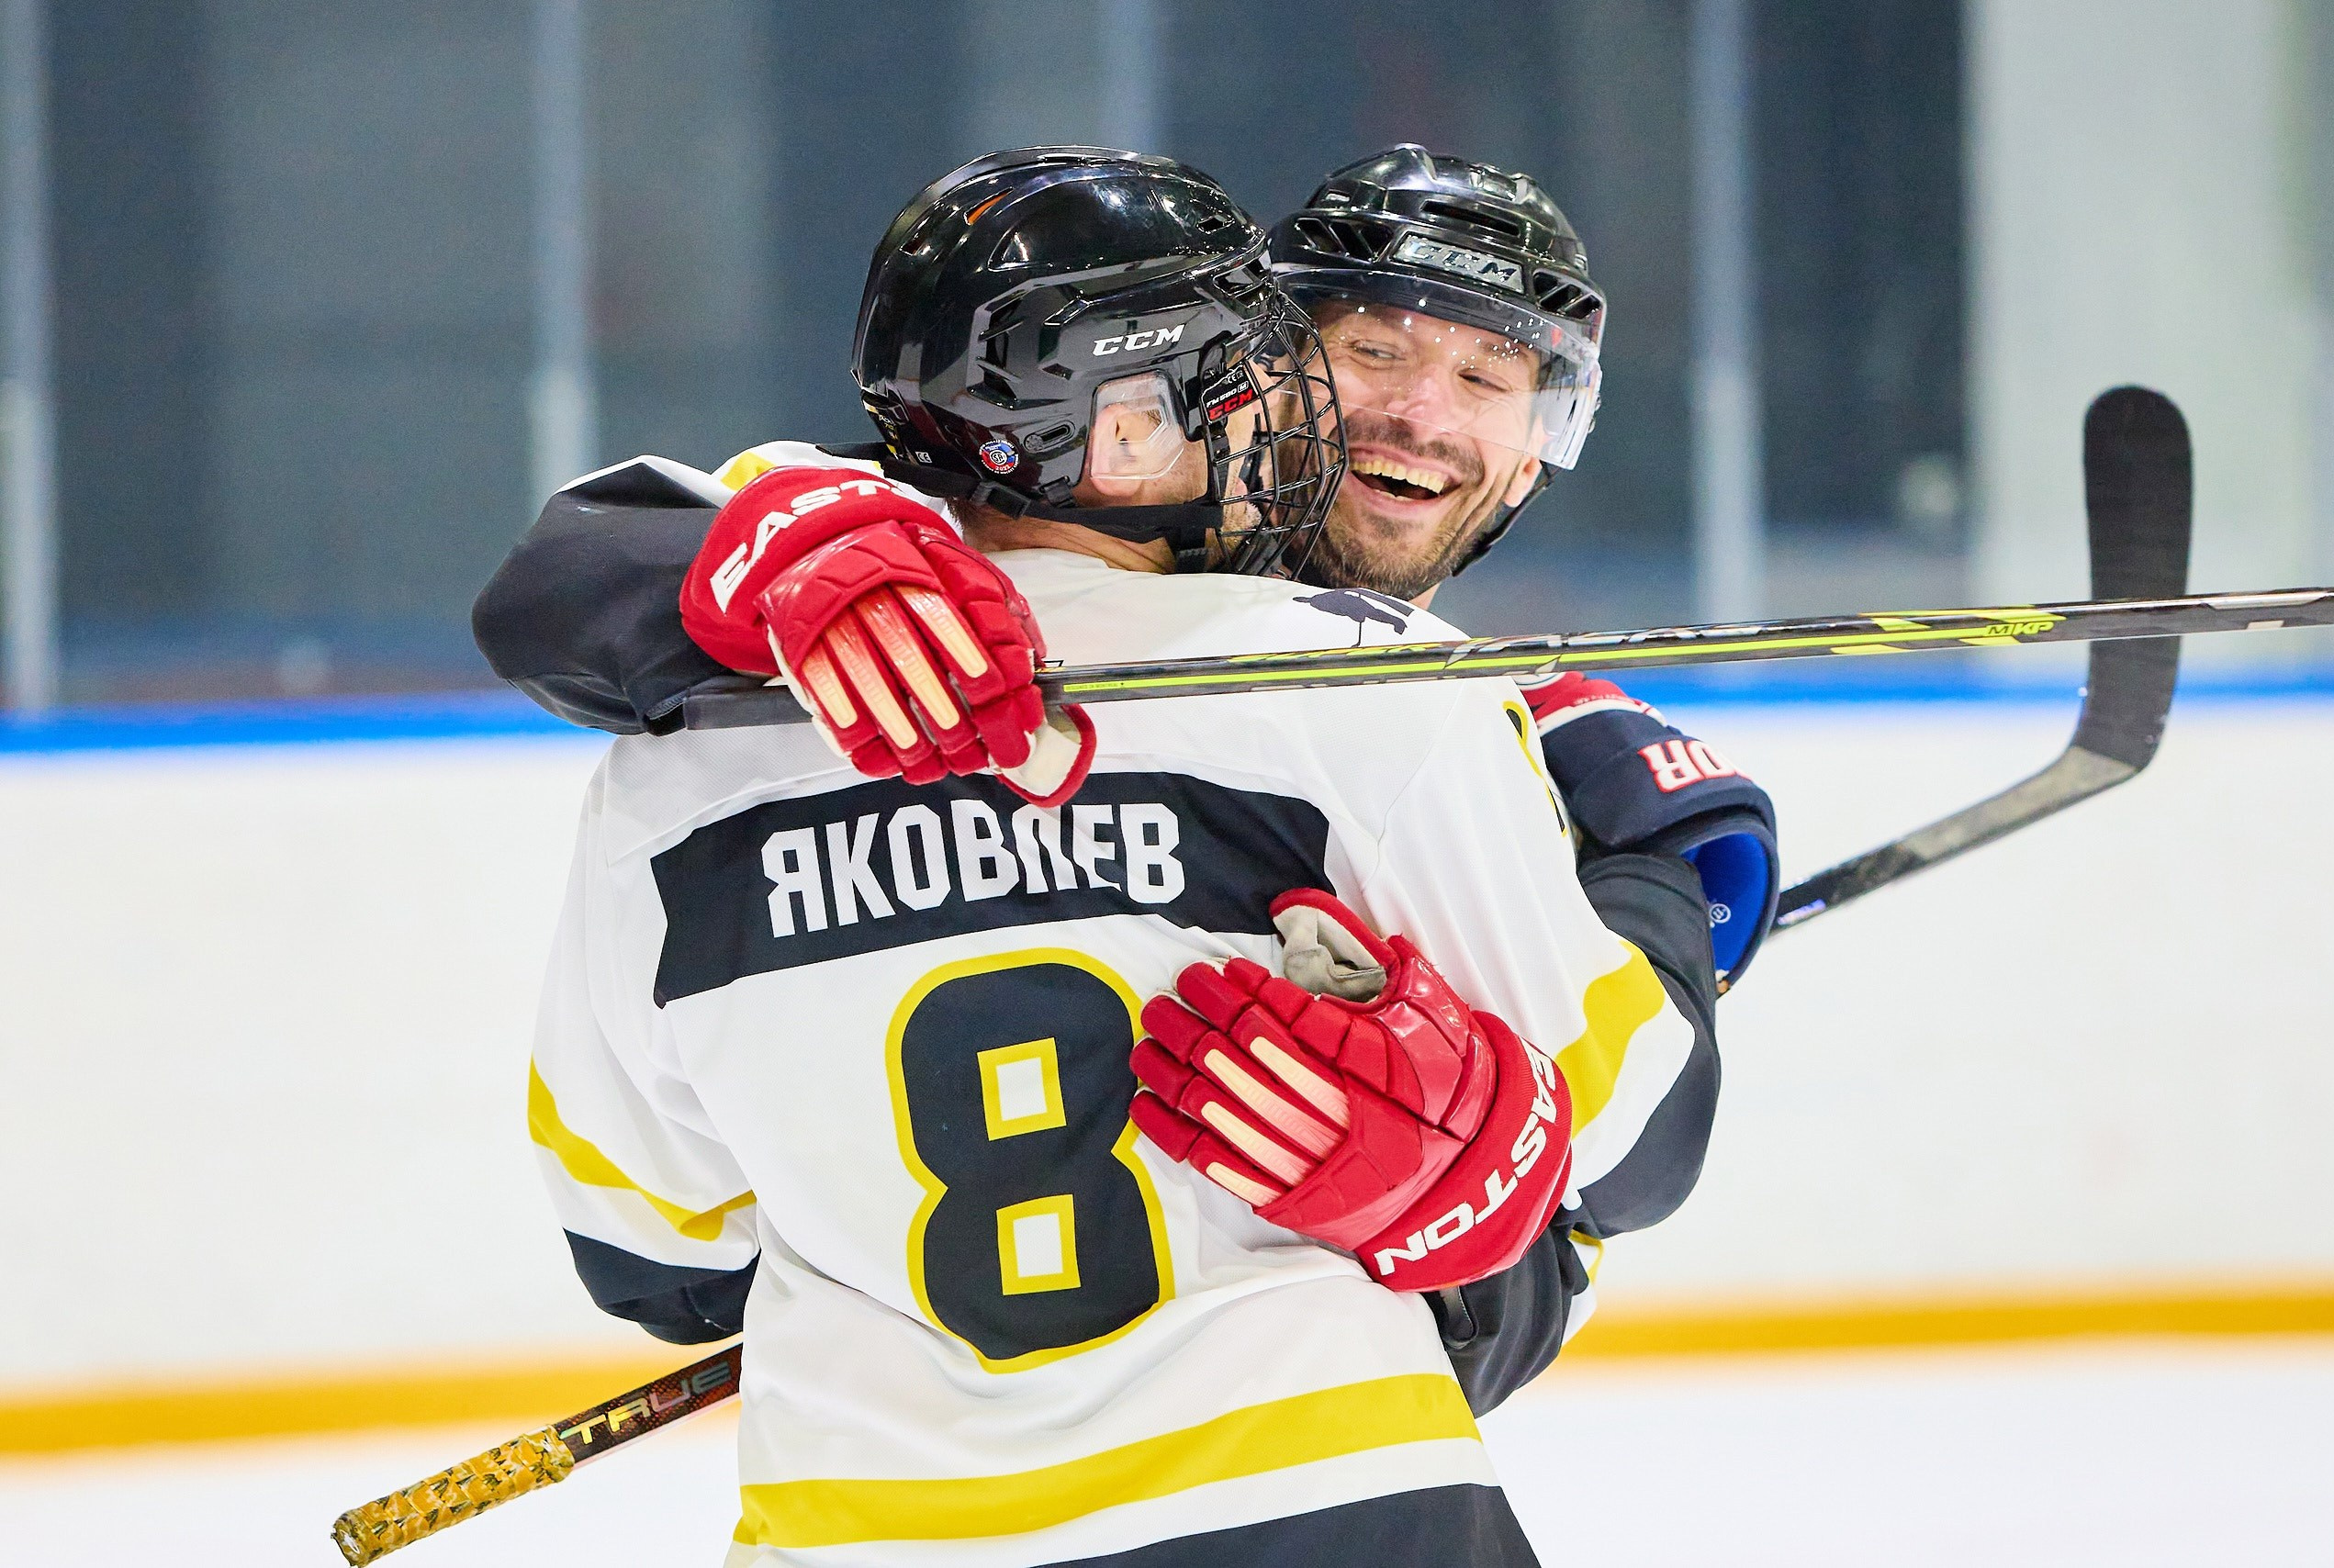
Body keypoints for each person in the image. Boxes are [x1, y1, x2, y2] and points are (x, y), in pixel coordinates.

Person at [512, 147, 1700, 1565]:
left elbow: (655, 1258)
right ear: (1132, 429)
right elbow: (1624, 1127)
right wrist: (1659, 891)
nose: (1358, 413)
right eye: (1345, 354)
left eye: (1491, 379)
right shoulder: (1369, 698)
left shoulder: (677, 757)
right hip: (1322, 1505)